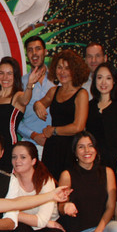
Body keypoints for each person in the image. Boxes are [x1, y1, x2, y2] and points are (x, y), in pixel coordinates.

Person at [6, 141, 70, 232]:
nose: (17, 161)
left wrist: (14, 213)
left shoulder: (46, 180)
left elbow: (39, 220)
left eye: (23, 157)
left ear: (33, 160)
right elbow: (6, 212)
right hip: (30, 226)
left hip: (45, 229)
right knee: (16, 231)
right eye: (14, 157)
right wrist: (45, 222)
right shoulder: (11, 180)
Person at [86, 62, 117, 222]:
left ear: (114, 81)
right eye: (99, 78)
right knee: (98, 205)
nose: (103, 82)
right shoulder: (90, 106)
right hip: (97, 164)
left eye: (108, 78)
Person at [34, 49, 89, 180]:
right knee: (49, 184)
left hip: (72, 147)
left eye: (67, 68)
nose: (62, 72)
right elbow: (40, 104)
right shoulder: (53, 91)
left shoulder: (81, 94)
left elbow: (78, 127)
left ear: (75, 70)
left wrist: (53, 130)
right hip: (53, 147)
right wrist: (37, 105)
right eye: (59, 67)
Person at [0, 56, 42, 171]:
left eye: (9, 73)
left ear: (15, 76)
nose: (5, 77)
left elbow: (25, 100)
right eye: (1, 73)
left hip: (9, 148)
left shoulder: (17, 95)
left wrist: (30, 85)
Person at [17, 36, 55, 157]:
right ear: (27, 54)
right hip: (30, 145)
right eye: (30, 50)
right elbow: (14, 119)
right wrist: (33, 135)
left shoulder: (57, 80)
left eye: (38, 49)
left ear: (45, 52)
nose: (34, 53)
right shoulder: (20, 83)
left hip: (56, 143)